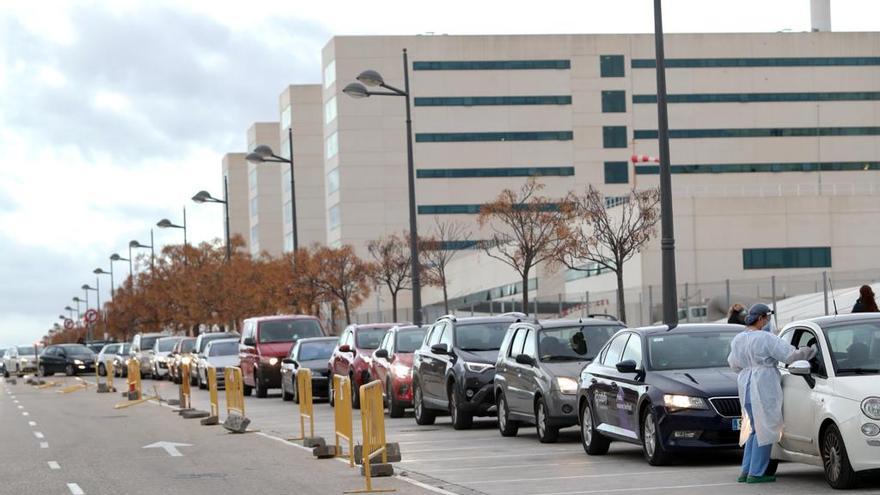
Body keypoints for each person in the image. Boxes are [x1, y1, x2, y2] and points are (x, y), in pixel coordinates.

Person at [727, 303, 815, 484]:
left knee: (753, 430)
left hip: (746, 386)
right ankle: (757, 473)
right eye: (767, 318)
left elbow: (733, 364)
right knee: (765, 429)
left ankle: (746, 471)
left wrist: (750, 368)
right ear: (761, 318)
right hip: (763, 386)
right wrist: (809, 351)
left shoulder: (738, 339)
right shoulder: (765, 338)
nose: (768, 321)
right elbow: (790, 356)